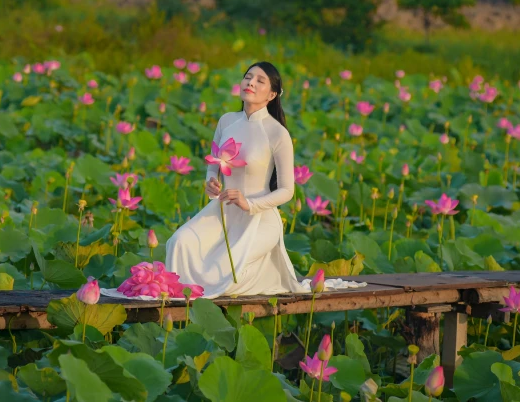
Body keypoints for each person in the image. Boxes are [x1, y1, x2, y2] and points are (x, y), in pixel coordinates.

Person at [103, 61, 365, 299]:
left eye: (259, 81)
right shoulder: (227, 121)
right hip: (224, 210)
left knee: (221, 273)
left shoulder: (277, 133)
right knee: (178, 243)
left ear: (272, 94)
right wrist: (211, 182)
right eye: (247, 77)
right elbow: (213, 164)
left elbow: (287, 191)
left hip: (260, 219)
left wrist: (249, 203)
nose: (250, 82)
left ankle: (266, 276)